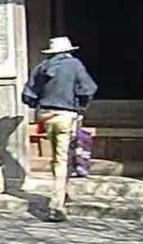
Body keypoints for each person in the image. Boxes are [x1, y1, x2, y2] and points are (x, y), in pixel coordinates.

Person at [22, 36, 98, 222]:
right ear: (68, 51)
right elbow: (88, 89)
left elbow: (28, 95)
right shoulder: (74, 65)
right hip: (66, 117)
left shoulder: (42, 67)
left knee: (58, 154)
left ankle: (64, 191)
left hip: (46, 116)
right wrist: (81, 107)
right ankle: (56, 204)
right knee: (62, 158)